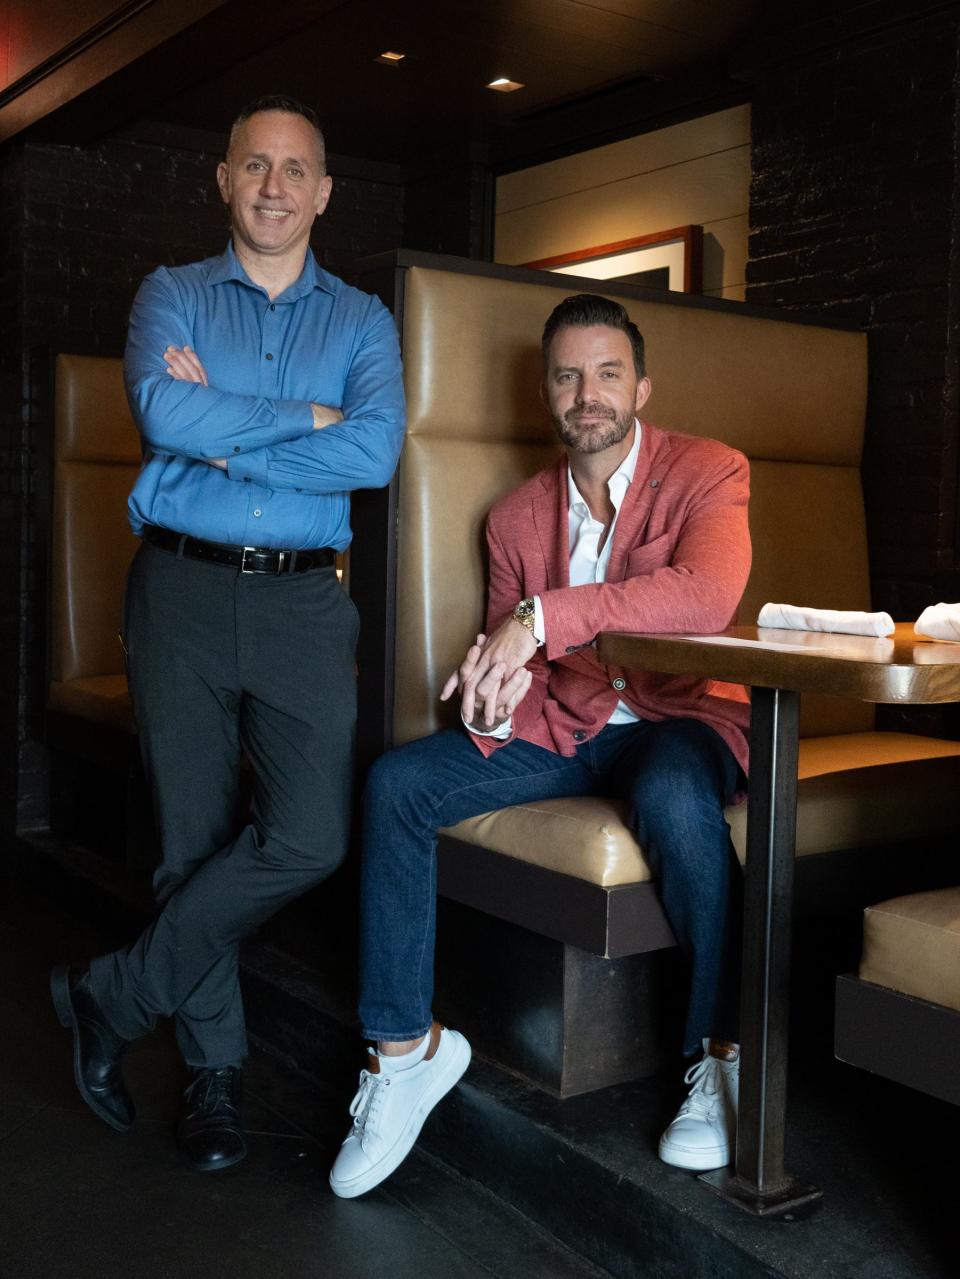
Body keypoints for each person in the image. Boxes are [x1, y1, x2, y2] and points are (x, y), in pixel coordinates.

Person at [328, 293, 751, 1199]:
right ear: (546, 393)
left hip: (685, 722)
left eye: (606, 373)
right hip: (567, 730)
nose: (587, 393)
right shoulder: (515, 518)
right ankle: (403, 1052)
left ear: (641, 384)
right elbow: (511, 662)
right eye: (567, 375)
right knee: (396, 783)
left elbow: (703, 597)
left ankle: (720, 1054)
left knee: (677, 796)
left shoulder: (710, 472)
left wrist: (541, 618)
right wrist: (488, 699)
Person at [50, 95, 405, 1172]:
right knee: (190, 840)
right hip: (182, 593)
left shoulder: (363, 322)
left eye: (297, 169)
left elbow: (377, 454)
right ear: (224, 179)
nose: (275, 186)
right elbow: (164, 416)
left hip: (304, 601)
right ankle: (214, 1075)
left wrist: (224, 435)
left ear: (324, 191)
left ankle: (111, 995)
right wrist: (307, 425)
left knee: (313, 834)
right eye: (256, 165)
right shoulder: (170, 295)